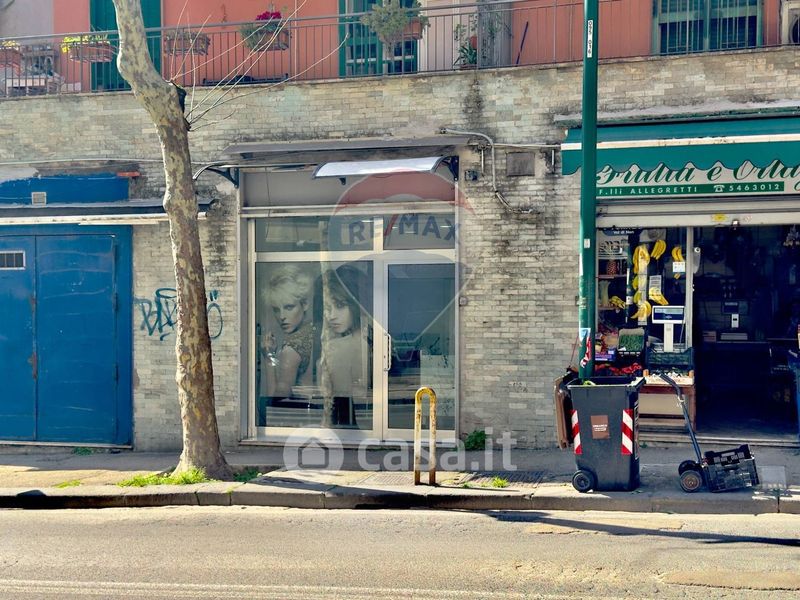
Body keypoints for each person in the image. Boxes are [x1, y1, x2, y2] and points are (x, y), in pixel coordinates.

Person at [314, 266, 371, 427]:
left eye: (340, 305)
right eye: (327, 308)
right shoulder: (372, 340)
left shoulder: (337, 348)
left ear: (356, 304)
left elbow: (335, 399)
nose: (332, 316)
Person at [260, 265, 315, 399]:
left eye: (289, 307)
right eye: (276, 309)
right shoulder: (315, 332)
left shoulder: (291, 349)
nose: (282, 316)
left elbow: (275, 401)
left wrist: (268, 357)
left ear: (305, 304)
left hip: (297, 412)